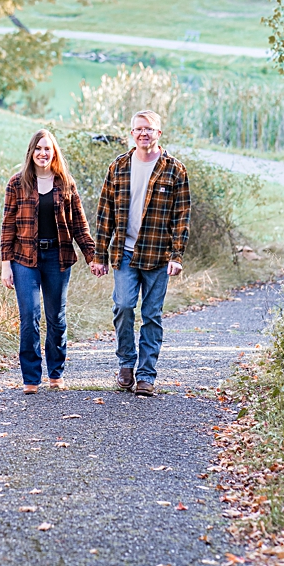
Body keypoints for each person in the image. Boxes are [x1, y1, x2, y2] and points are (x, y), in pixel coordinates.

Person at [92, 109, 191, 396]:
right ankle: (126, 363)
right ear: (132, 133)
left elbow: (181, 217)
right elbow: (104, 214)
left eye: (148, 129)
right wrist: (100, 255)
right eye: (138, 129)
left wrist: (177, 255)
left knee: (151, 314)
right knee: (123, 306)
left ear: (158, 133)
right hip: (124, 253)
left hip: (158, 255)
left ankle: (146, 375)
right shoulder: (119, 166)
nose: (143, 133)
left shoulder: (175, 170)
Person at [0, 130, 97, 392]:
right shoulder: (17, 183)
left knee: (56, 317)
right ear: (31, 152)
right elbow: (8, 225)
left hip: (57, 256)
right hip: (24, 259)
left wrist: (92, 256)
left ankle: (55, 373)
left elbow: (79, 224)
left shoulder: (66, 183)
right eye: (38, 148)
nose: (43, 153)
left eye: (48, 149)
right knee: (29, 315)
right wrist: (5, 264)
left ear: (54, 153)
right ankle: (31, 378)